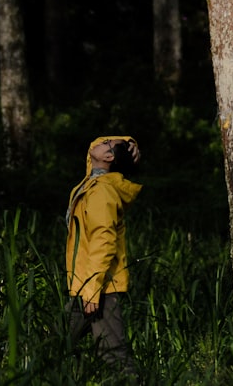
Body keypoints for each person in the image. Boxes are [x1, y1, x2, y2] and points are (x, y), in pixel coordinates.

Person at [65, 135, 142, 377]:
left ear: (108, 157)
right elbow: (93, 147)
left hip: (100, 289)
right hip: (84, 285)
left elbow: (103, 242)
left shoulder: (102, 191)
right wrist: (129, 141)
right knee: (57, 345)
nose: (101, 141)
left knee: (114, 357)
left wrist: (91, 290)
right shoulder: (93, 180)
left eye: (108, 144)